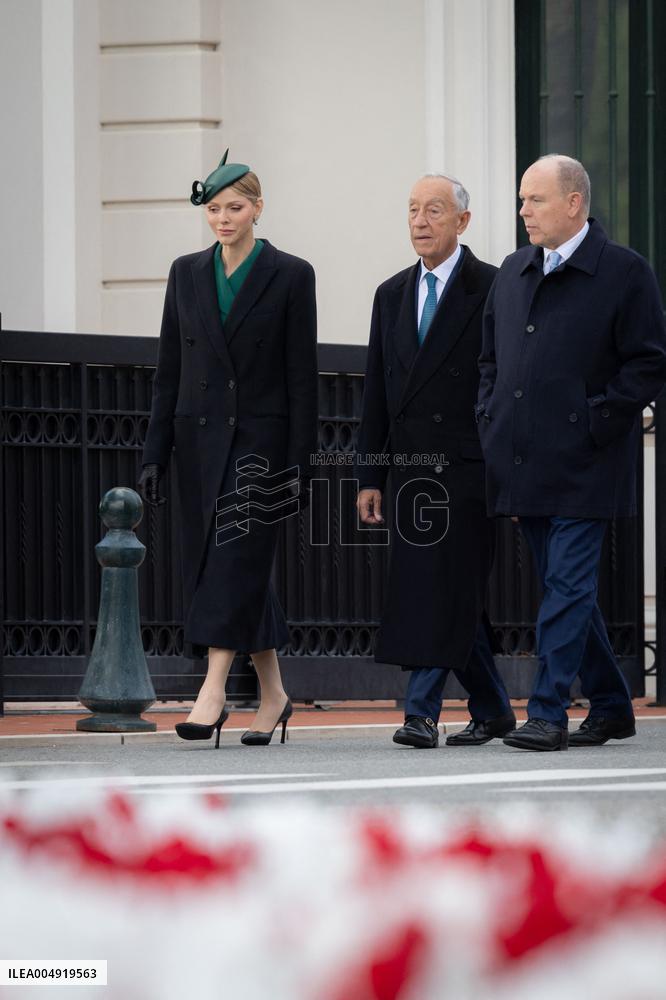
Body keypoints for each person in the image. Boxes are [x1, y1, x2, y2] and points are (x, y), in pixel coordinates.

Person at [478, 154, 666, 751]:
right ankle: (611, 705)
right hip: (523, 458)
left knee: (565, 585)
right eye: (521, 200)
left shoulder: (624, 271)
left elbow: (649, 361)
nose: (523, 211)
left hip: (588, 462)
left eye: (534, 200)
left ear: (574, 202)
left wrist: (597, 421)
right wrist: (491, 418)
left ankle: (548, 711)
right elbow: (490, 360)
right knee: (567, 588)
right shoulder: (512, 270)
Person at [138, 151, 318, 747]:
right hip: (195, 443)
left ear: (258, 208)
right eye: (213, 208)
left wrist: (300, 463)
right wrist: (153, 453)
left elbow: (302, 377)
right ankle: (274, 695)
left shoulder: (292, 274)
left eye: (235, 207)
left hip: (261, 445)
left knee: (233, 559)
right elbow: (170, 370)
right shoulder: (185, 272)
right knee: (231, 569)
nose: (222, 218)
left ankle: (211, 691)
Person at [355, 174, 515, 749]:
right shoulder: (390, 293)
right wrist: (368, 475)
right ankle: (494, 709)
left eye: (435, 211)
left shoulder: (496, 287)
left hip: (470, 469)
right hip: (410, 473)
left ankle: (419, 711)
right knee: (445, 590)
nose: (420, 222)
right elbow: (376, 392)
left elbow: (506, 387)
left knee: (442, 587)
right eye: (413, 211)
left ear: (463, 222)